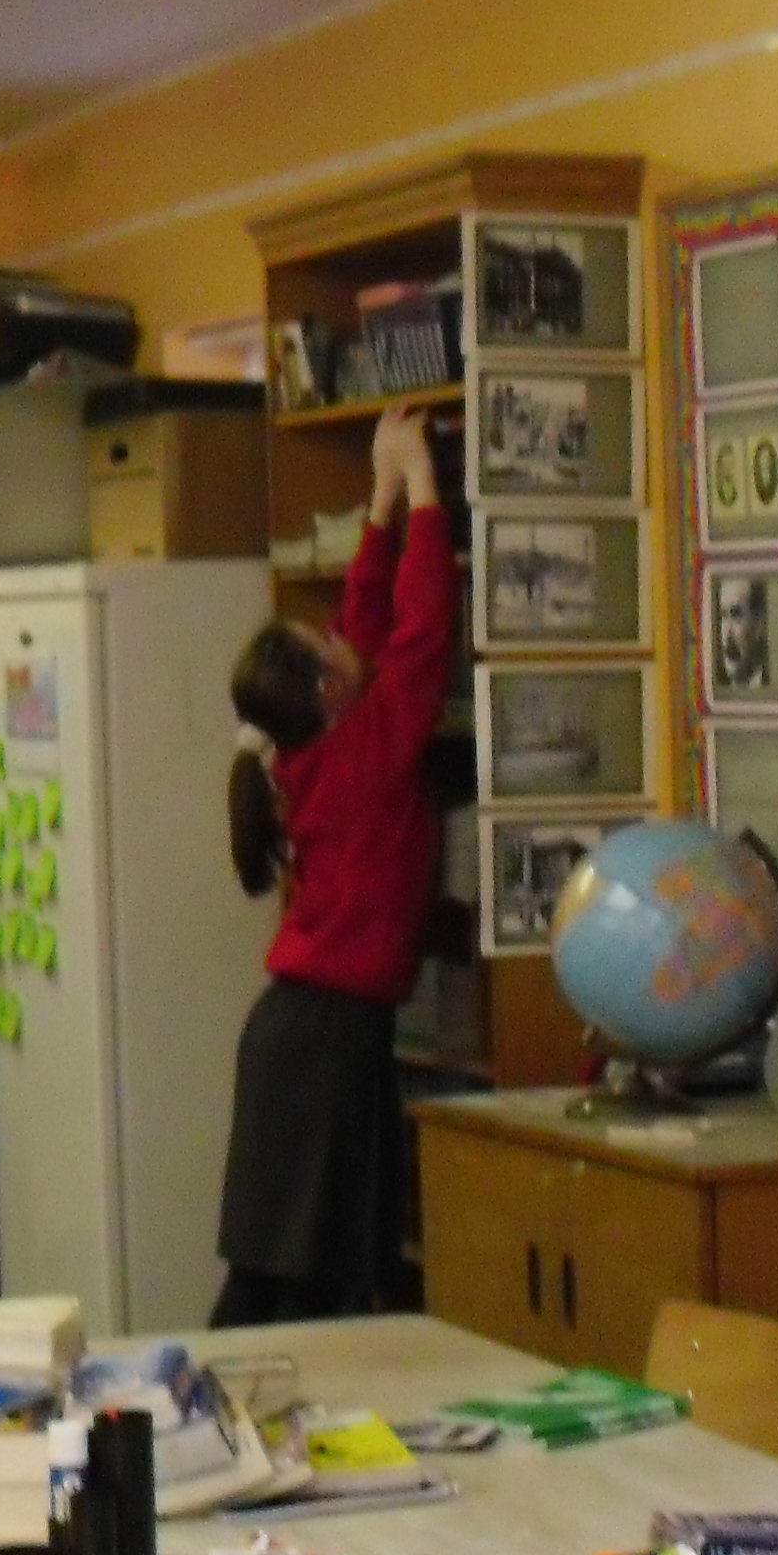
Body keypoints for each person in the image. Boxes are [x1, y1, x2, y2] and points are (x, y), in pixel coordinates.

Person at [213, 405, 453, 1326]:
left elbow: (365, 622)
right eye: (328, 646)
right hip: (329, 1048)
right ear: (328, 688)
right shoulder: (367, 751)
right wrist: (423, 487)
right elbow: (420, 636)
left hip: (296, 1037)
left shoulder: (316, 747)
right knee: (315, 1293)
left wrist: (381, 502)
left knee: (272, 1283)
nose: (343, 635)